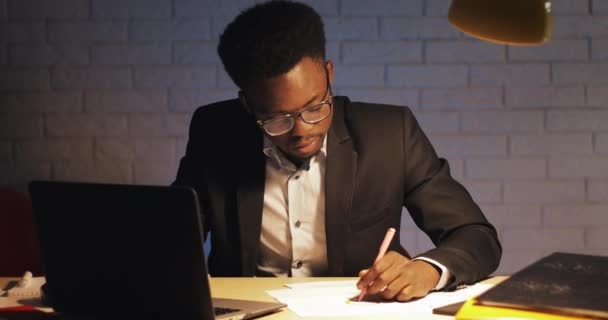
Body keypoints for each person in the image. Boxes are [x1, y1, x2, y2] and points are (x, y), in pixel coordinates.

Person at [173, 0, 501, 302]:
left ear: (329, 74)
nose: (303, 130)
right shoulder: (214, 132)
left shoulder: (389, 134)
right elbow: (170, 239)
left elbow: (476, 235)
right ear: (248, 105)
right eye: (277, 119)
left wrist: (429, 269)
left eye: (315, 107)